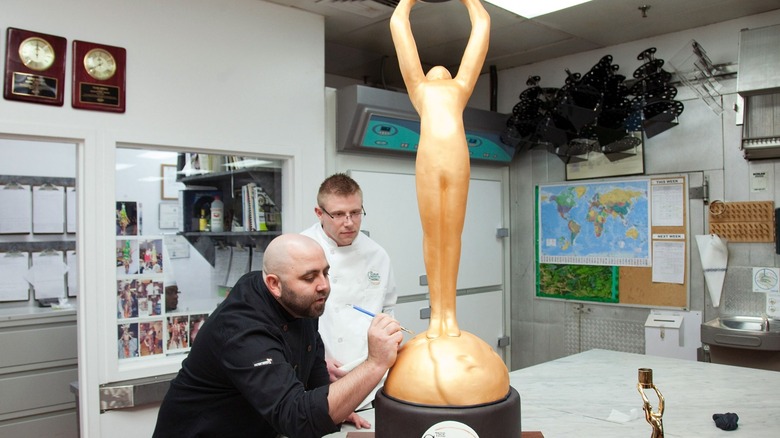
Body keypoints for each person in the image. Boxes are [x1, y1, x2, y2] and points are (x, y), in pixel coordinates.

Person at [152, 234, 403, 437]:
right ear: (274, 284)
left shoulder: (298, 301)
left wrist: (334, 403)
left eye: (325, 272)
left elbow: (313, 368)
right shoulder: (242, 329)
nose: (323, 285)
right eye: (309, 277)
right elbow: (295, 419)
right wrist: (375, 363)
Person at [390, 0, 490, 339]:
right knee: (434, 238)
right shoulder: (419, 89)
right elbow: (400, 32)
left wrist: (470, 1)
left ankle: (450, 315)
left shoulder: (460, 87)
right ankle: (437, 316)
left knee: (452, 237)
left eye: (443, 69)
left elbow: (481, 32)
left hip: (456, 161)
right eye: (431, 69)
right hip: (430, 162)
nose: (438, 69)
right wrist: (406, 3)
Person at [301, 173, 397, 414]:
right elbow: (283, 322)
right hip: (318, 379)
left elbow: (387, 311)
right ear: (319, 213)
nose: (349, 222)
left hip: (371, 378)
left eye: (355, 213)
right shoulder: (299, 250)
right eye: (339, 214)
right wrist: (315, 363)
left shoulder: (378, 255)